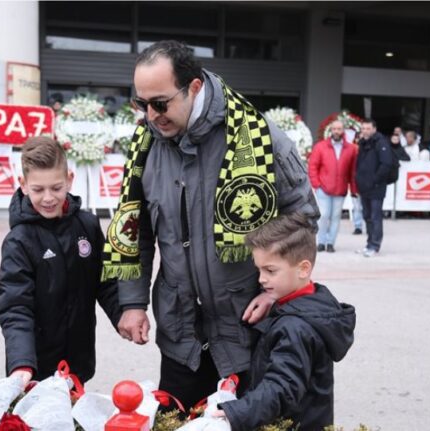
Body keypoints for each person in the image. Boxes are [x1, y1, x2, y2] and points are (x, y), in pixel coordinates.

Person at [105, 40, 319, 411]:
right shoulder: (146, 145)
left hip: (249, 334)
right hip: (180, 339)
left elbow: (302, 220)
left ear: (194, 88)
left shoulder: (260, 137)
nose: (151, 115)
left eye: (160, 103)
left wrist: (274, 293)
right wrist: (132, 302)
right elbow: (134, 230)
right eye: (141, 104)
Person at [213, 213, 356, 431]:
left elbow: (283, 385)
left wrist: (238, 413)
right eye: (259, 269)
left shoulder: (295, 326)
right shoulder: (310, 303)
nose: (261, 279)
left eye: (270, 271)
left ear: (303, 269)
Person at [0, 136, 121, 384]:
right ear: (23, 184)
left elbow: (105, 281)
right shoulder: (18, 241)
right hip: (35, 369)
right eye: (38, 189)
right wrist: (21, 362)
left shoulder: (87, 224)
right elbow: (15, 306)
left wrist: (123, 316)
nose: (48, 198)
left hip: (78, 362)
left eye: (56, 187)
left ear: (69, 180)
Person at [308, 120, 357, 253]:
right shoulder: (320, 146)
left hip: (340, 189)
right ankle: (321, 241)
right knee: (323, 215)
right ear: (331, 130)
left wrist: (353, 189)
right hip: (323, 188)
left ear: (343, 131)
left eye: (339, 129)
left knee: (335, 217)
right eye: (334, 129)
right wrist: (316, 185)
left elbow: (353, 171)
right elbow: (313, 166)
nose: (337, 131)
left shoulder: (351, 149)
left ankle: (331, 243)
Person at [354, 119, 393, 257]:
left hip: (376, 187)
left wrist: (375, 180)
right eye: (363, 128)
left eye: (368, 128)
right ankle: (369, 243)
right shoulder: (363, 143)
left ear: (374, 129)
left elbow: (386, 164)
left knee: (375, 217)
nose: (365, 131)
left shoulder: (381, 143)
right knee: (367, 216)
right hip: (364, 187)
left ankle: (375, 245)